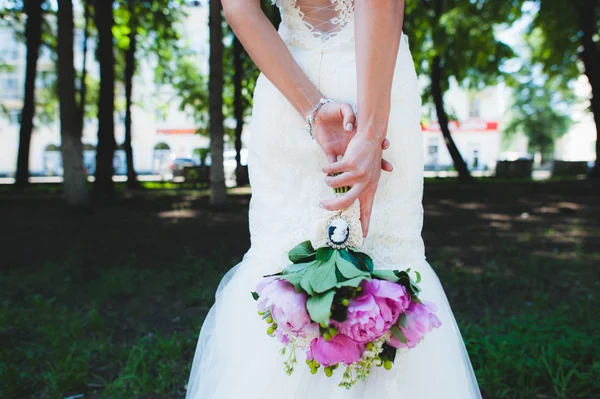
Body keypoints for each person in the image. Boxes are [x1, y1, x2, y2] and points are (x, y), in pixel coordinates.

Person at [186, 1, 482, 398]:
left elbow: (239, 7)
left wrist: (314, 110)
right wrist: (372, 131)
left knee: (281, 254)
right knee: (385, 251)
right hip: (373, 81)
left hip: (285, 85)